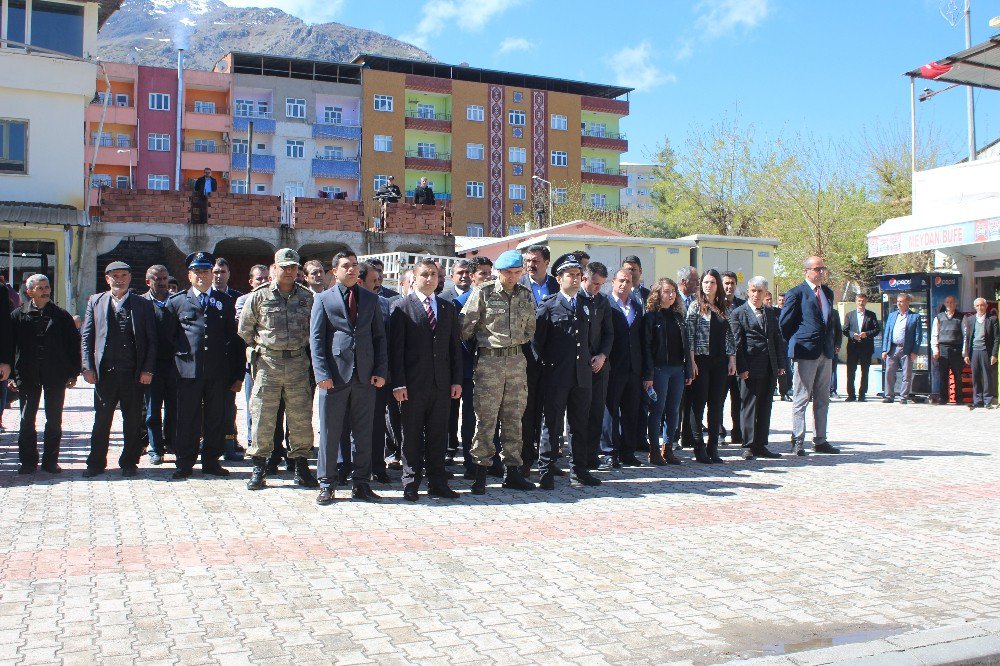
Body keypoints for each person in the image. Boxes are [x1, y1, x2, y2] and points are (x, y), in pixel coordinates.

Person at [311, 251, 388, 504]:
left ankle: (362, 483)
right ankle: (327, 483)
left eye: (355, 266)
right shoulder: (323, 299)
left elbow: (379, 338)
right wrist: (321, 374)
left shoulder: (369, 298)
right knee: (330, 432)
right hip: (334, 376)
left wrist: (379, 371)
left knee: (363, 433)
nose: (352, 270)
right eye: (346, 266)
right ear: (335, 271)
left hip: (364, 376)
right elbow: (317, 340)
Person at [238, 249, 318, 491]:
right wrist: (261, 350)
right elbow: (245, 330)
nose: (289, 271)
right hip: (268, 365)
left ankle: (301, 467)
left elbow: (314, 330)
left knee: (301, 418)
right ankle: (259, 468)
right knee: (263, 416)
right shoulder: (259, 296)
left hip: (297, 363)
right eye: (284, 267)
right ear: (275, 268)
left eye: (293, 267)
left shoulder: (307, 297)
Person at [460, 249, 536, 494]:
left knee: (514, 419)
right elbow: (465, 327)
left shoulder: (525, 294)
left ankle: (512, 472)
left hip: (516, 361)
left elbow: (529, 330)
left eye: (516, 272)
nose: (512, 277)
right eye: (507, 273)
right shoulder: (484, 292)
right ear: (498, 272)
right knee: (486, 419)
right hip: (490, 363)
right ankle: (480, 472)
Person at [166, 252, 245, 479]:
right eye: (197, 272)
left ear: (212, 274)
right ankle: (184, 462)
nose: (202, 276)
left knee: (215, 418)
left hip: (217, 372)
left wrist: (238, 374)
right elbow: (168, 340)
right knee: (187, 419)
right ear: (189, 275)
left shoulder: (226, 302)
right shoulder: (177, 302)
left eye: (206, 271)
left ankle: (211, 461)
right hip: (187, 372)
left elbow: (235, 340)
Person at [389, 259, 463, 500]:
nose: (429, 279)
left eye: (433, 274)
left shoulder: (447, 307)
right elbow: (396, 350)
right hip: (412, 385)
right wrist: (398, 383)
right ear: (414, 278)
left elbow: (454, 348)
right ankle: (410, 482)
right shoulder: (401, 307)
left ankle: (437, 481)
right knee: (411, 435)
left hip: (441, 385)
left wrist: (456, 380)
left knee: (438, 435)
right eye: (424, 275)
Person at [81, 261, 157, 478]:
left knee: (133, 420)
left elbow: (152, 340)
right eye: (115, 276)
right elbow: (87, 337)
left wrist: (147, 370)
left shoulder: (142, 304)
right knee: (102, 420)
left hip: (133, 372)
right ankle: (95, 463)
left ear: (130, 278)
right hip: (105, 373)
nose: (119, 279)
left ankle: (129, 462)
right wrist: (87, 366)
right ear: (107, 279)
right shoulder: (96, 301)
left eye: (124, 275)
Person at [532, 254, 601, 489]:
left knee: (580, 424)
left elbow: (588, 340)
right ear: (558, 278)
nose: (575, 278)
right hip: (556, 375)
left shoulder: (585, 303)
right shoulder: (549, 305)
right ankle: (546, 470)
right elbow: (537, 342)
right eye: (570, 275)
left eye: (577, 274)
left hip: (581, 375)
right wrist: (546, 367)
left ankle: (579, 470)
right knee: (551, 424)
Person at [10, 274, 81, 474]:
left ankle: (50, 461)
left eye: (47, 286)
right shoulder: (18, 315)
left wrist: (73, 372)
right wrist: (11, 375)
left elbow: (72, 345)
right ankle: (28, 461)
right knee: (26, 418)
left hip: (55, 373)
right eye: (40, 287)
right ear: (29, 291)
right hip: (27, 373)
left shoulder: (61, 315)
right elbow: (10, 345)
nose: (45, 290)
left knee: (54, 417)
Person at [778, 256, 840, 455]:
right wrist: (799, 341)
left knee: (823, 399)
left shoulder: (827, 293)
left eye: (823, 268)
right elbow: (784, 324)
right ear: (806, 271)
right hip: (805, 352)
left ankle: (820, 439)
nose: (822, 272)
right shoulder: (797, 293)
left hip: (825, 352)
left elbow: (830, 321)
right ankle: (798, 439)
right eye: (817, 269)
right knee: (801, 398)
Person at [729, 276, 786, 460]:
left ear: (765, 293)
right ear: (748, 291)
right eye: (753, 290)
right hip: (750, 366)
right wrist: (741, 367)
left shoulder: (770, 313)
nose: (755, 294)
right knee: (749, 405)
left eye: (759, 291)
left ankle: (761, 444)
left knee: (765, 406)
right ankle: (749, 445)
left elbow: (777, 338)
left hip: (769, 366)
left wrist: (780, 364)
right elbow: (737, 343)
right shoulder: (739, 313)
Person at [686, 269, 737, 464]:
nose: (709, 286)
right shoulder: (695, 307)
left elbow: (731, 335)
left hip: (720, 362)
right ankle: (699, 447)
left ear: (718, 286)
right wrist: (691, 362)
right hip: (701, 360)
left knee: (716, 405)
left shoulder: (725, 307)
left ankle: (713, 446)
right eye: (706, 282)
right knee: (698, 404)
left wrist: (732, 359)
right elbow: (689, 337)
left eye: (713, 282)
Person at [641, 278, 690, 466]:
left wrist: (687, 369)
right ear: (657, 294)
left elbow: (685, 345)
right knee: (657, 409)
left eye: (673, 291)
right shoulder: (651, 317)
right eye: (667, 291)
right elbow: (646, 347)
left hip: (677, 369)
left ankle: (668, 447)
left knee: (674, 410)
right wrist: (648, 374)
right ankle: (654, 449)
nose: (671, 295)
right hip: (659, 370)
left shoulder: (678, 317)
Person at [518, 245, 558, 473]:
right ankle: (525, 458)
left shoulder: (556, 284)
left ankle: (548, 460)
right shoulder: (519, 285)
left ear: (546, 262)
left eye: (535, 260)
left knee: (550, 411)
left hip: (553, 359)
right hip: (525, 359)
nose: (530, 265)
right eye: (527, 260)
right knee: (527, 411)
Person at [358, 261, 397, 484]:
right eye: (374, 281)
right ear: (361, 282)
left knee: (376, 424)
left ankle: (377, 465)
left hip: (377, 377)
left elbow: (387, 342)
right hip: (350, 375)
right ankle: (347, 466)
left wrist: (383, 372)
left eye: (380, 280)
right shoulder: (342, 302)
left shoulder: (385, 305)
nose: (378, 285)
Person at [456, 256, 494, 478]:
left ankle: (492, 460)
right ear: (471, 277)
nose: (488, 277)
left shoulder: (497, 299)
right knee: (472, 418)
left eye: (490, 273)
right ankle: (472, 464)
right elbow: (462, 338)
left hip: (495, 370)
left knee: (493, 417)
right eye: (483, 273)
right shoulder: (460, 303)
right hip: (472, 370)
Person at [605, 268, 645, 467]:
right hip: (613, 367)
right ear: (613, 282)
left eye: (628, 281)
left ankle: (628, 452)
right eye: (621, 280)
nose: (624, 284)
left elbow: (640, 338)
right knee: (611, 412)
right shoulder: (606, 304)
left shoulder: (637, 306)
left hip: (633, 368)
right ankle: (609, 452)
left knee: (631, 411)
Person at [142, 265, 177, 465]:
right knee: (152, 410)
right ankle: (155, 448)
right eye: (158, 279)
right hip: (151, 366)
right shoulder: (141, 303)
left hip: (174, 365)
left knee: (174, 408)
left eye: (164, 278)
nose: (162, 282)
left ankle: (172, 442)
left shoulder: (176, 301)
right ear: (149, 282)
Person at [581, 262, 613, 471]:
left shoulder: (603, 302)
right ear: (584, 278)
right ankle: (578, 457)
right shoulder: (574, 300)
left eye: (601, 285)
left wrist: (603, 356)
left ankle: (592, 455)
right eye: (594, 284)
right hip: (579, 366)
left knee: (596, 412)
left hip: (599, 366)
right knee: (579, 413)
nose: (597, 288)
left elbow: (609, 333)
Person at [881, 293, 922, 405]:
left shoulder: (915, 317)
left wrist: (914, 351)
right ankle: (889, 396)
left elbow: (918, 336)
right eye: (898, 301)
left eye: (901, 301)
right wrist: (884, 349)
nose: (898, 303)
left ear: (907, 302)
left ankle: (903, 397)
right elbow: (887, 333)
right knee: (889, 372)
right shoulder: (892, 315)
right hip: (892, 348)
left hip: (906, 349)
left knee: (906, 374)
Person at [721, 271, 745, 445]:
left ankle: (738, 432)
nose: (729, 287)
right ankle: (719, 430)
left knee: (739, 399)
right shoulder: (714, 306)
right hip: (720, 360)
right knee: (718, 399)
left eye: (732, 283)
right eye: (726, 283)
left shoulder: (743, 306)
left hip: (739, 360)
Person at [842, 292, 880, 402]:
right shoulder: (850, 315)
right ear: (856, 302)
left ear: (866, 302)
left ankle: (862, 394)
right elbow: (845, 329)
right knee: (850, 372)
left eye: (863, 301)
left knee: (865, 371)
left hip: (866, 348)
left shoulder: (871, 315)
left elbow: (877, 329)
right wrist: (852, 335)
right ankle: (851, 394)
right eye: (859, 301)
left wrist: (866, 334)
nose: (861, 303)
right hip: (853, 347)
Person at [963, 297, 999, 410]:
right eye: (977, 306)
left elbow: (997, 338)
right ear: (975, 307)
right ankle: (978, 400)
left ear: (986, 306)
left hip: (986, 351)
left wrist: (994, 354)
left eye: (982, 305)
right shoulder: (970, 320)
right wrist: (967, 354)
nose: (980, 308)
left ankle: (988, 400)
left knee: (987, 376)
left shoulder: (992, 319)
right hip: (974, 351)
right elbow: (968, 338)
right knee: (976, 376)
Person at [931, 295, 965, 405]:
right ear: (944, 304)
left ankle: (959, 399)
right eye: (947, 302)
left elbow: (966, 335)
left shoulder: (961, 317)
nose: (949, 304)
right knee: (943, 376)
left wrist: (965, 351)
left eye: (951, 302)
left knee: (957, 375)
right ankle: (943, 399)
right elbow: (934, 335)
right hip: (943, 349)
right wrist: (935, 350)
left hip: (956, 349)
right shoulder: (939, 317)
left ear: (955, 304)